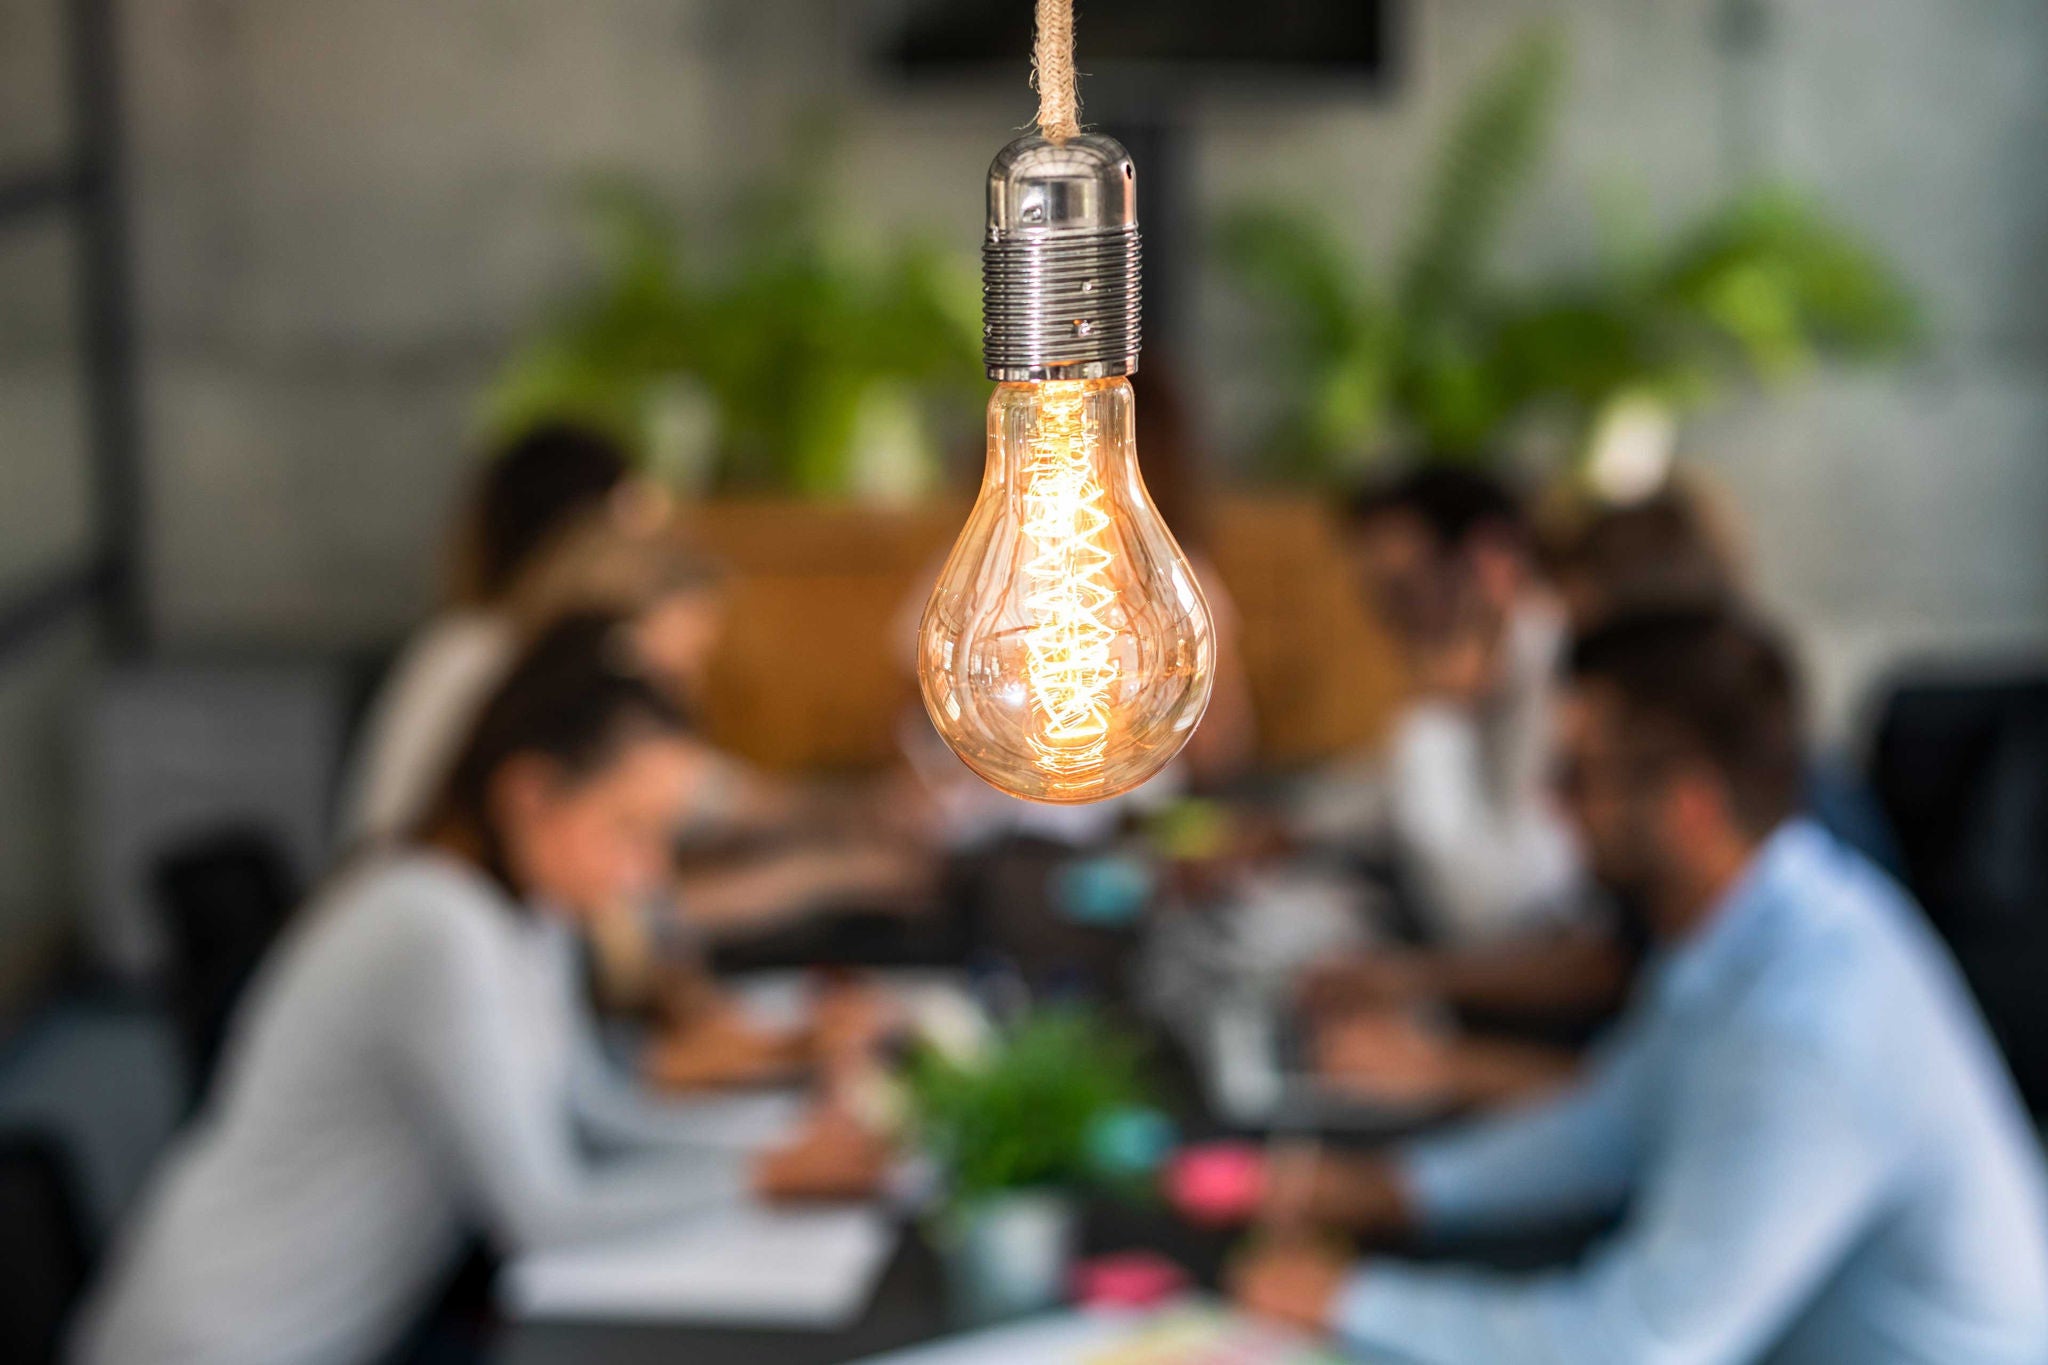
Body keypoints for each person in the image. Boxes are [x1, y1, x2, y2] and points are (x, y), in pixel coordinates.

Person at [1231, 607, 2048, 1364]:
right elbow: (1615, 1121)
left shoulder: (1810, 1024)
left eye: (1577, 776)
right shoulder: (1773, 916)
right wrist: (1400, 1190)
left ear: (1689, 808)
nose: (1552, 808)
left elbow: (1635, 1345)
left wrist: (1349, 1301)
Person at [74, 620, 886, 1365]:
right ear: (530, 794)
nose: (649, 873)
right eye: (628, 829)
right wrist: (768, 1173)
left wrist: (780, 1140)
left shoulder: (525, 911)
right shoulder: (432, 925)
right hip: (228, 1341)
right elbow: (544, 1210)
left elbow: (590, 1113)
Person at [339, 422, 649, 847]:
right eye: (631, 521)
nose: (645, 553)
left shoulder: (476, 644)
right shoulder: (485, 652)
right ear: (582, 536)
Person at [1308, 467, 1582, 944]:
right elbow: (1380, 791)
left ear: (1490, 564)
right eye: (1380, 600)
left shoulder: (1569, 681)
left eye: (1406, 592)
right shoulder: (1501, 674)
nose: (1394, 624)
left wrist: (1435, 712)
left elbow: (1476, 906)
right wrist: (1284, 833)